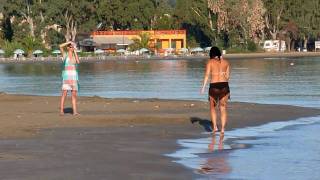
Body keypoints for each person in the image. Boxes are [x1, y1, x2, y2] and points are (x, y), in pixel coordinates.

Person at [201, 46, 230, 134]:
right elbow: (228, 77)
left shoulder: (210, 62)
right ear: (219, 54)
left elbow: (207, 75)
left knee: (213, 108)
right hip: (224, 86)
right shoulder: (226, 63)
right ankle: (223, 130)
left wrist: (203, 87)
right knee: (223, 108)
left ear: (211, 54)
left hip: (214, 86)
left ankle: (214, 128)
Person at [59, 41, 80, 115]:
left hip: (74, 78)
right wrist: (69, 42)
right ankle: (61, 110)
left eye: (72, 47)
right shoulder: (65, 55)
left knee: (74, 95)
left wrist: (75, 51)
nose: (72, 48)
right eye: (70, 47)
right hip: (66, 78)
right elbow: (60, 46)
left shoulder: (74, 56)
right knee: (64, 94)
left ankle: (75, 112)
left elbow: (78, 61)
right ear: (68, 48)